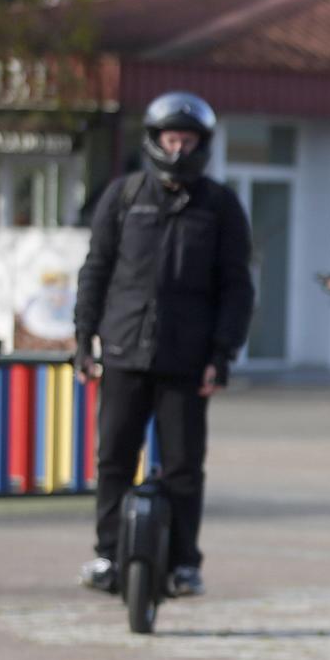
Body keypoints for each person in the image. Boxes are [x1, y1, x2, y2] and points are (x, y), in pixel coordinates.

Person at [74, 91, 254, 599]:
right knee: (113, 457)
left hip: (188, 360)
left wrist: (222, 354)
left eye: (188, 140)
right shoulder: (124, 196)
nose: (179, 149)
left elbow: (237, 288)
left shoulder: (220, 207)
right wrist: (84, 339)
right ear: (155, 141)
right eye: (171, 139)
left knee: (182, 468)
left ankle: (183, 564)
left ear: (202, 144)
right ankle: (108, 555)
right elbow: (95, 271)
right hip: (124, 351)